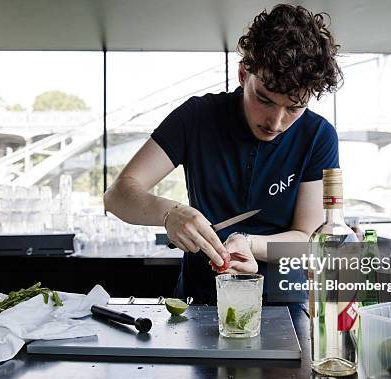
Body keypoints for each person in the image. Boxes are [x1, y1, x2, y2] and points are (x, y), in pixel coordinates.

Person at [104, 4, 343, 303]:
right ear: (244, 74)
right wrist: (169, 213)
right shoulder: (196, 117)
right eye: (264, 99)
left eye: (294, 108)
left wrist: (248, 244)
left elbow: (306, 239)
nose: (276, 122)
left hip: (284, 305)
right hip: (199, 302)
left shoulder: (318, 136)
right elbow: (117, 195)